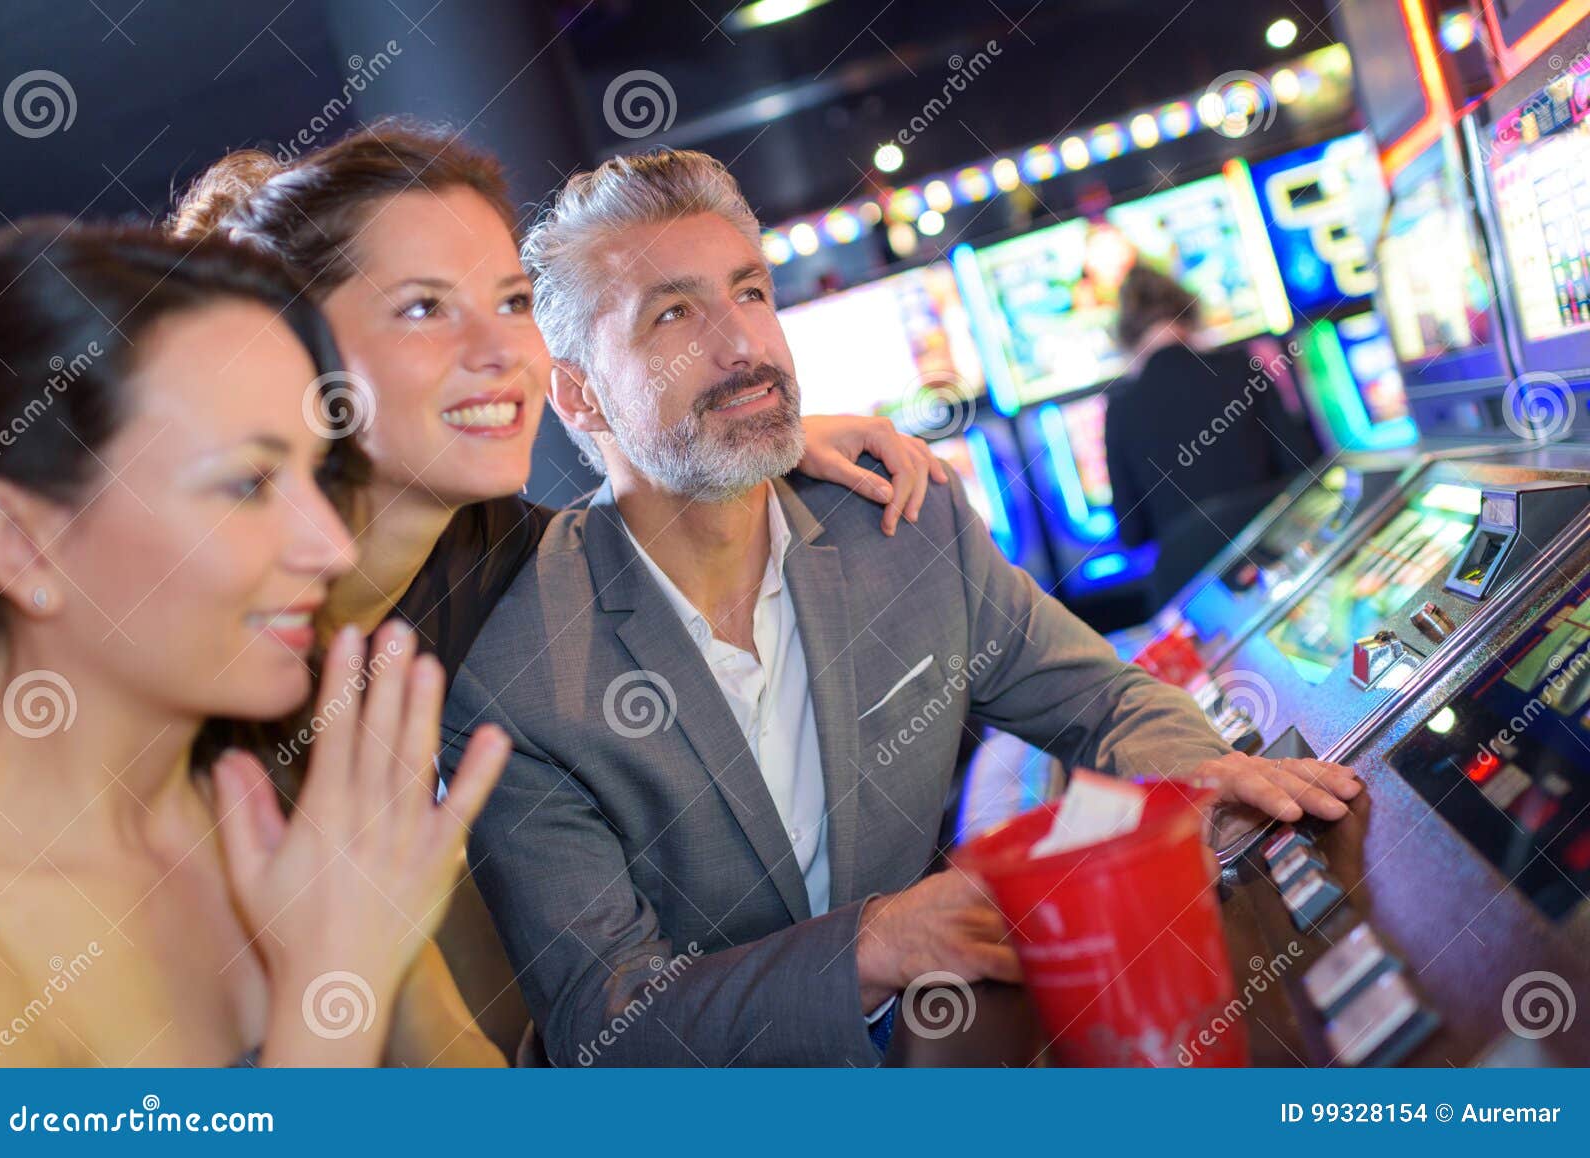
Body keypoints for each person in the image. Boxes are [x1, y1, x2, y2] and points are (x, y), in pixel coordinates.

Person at [441, 149, 1364, 1067]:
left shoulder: (901, 524)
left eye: (751, 292)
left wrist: (1198, 770)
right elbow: (611, 1029)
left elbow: (1104, 702)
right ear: (578, 393)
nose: (742, 346)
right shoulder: (518, 673)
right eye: (674, 314)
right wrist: (873, 945)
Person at [169, 122, 947, 1055]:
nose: (502, 351)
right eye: (423, 308)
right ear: (290, 357)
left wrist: (762, 433)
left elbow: (426, 1022)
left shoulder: (483, 549)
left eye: (510, 302)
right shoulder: (194, 671)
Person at [0, 223, 510, 1066]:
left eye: (316, 474)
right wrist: (330, 998)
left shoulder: (291, 788)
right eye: (247, 484)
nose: (332, 549)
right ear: (24, 542)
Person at [1103, 264, 1320, 603]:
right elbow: (1304, 470)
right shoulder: (1243, 368)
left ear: (1126, 337)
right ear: (1191, 314)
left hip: (1198, 595)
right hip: (1280, 566)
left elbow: (1132, 533)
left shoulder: (1120, 409)